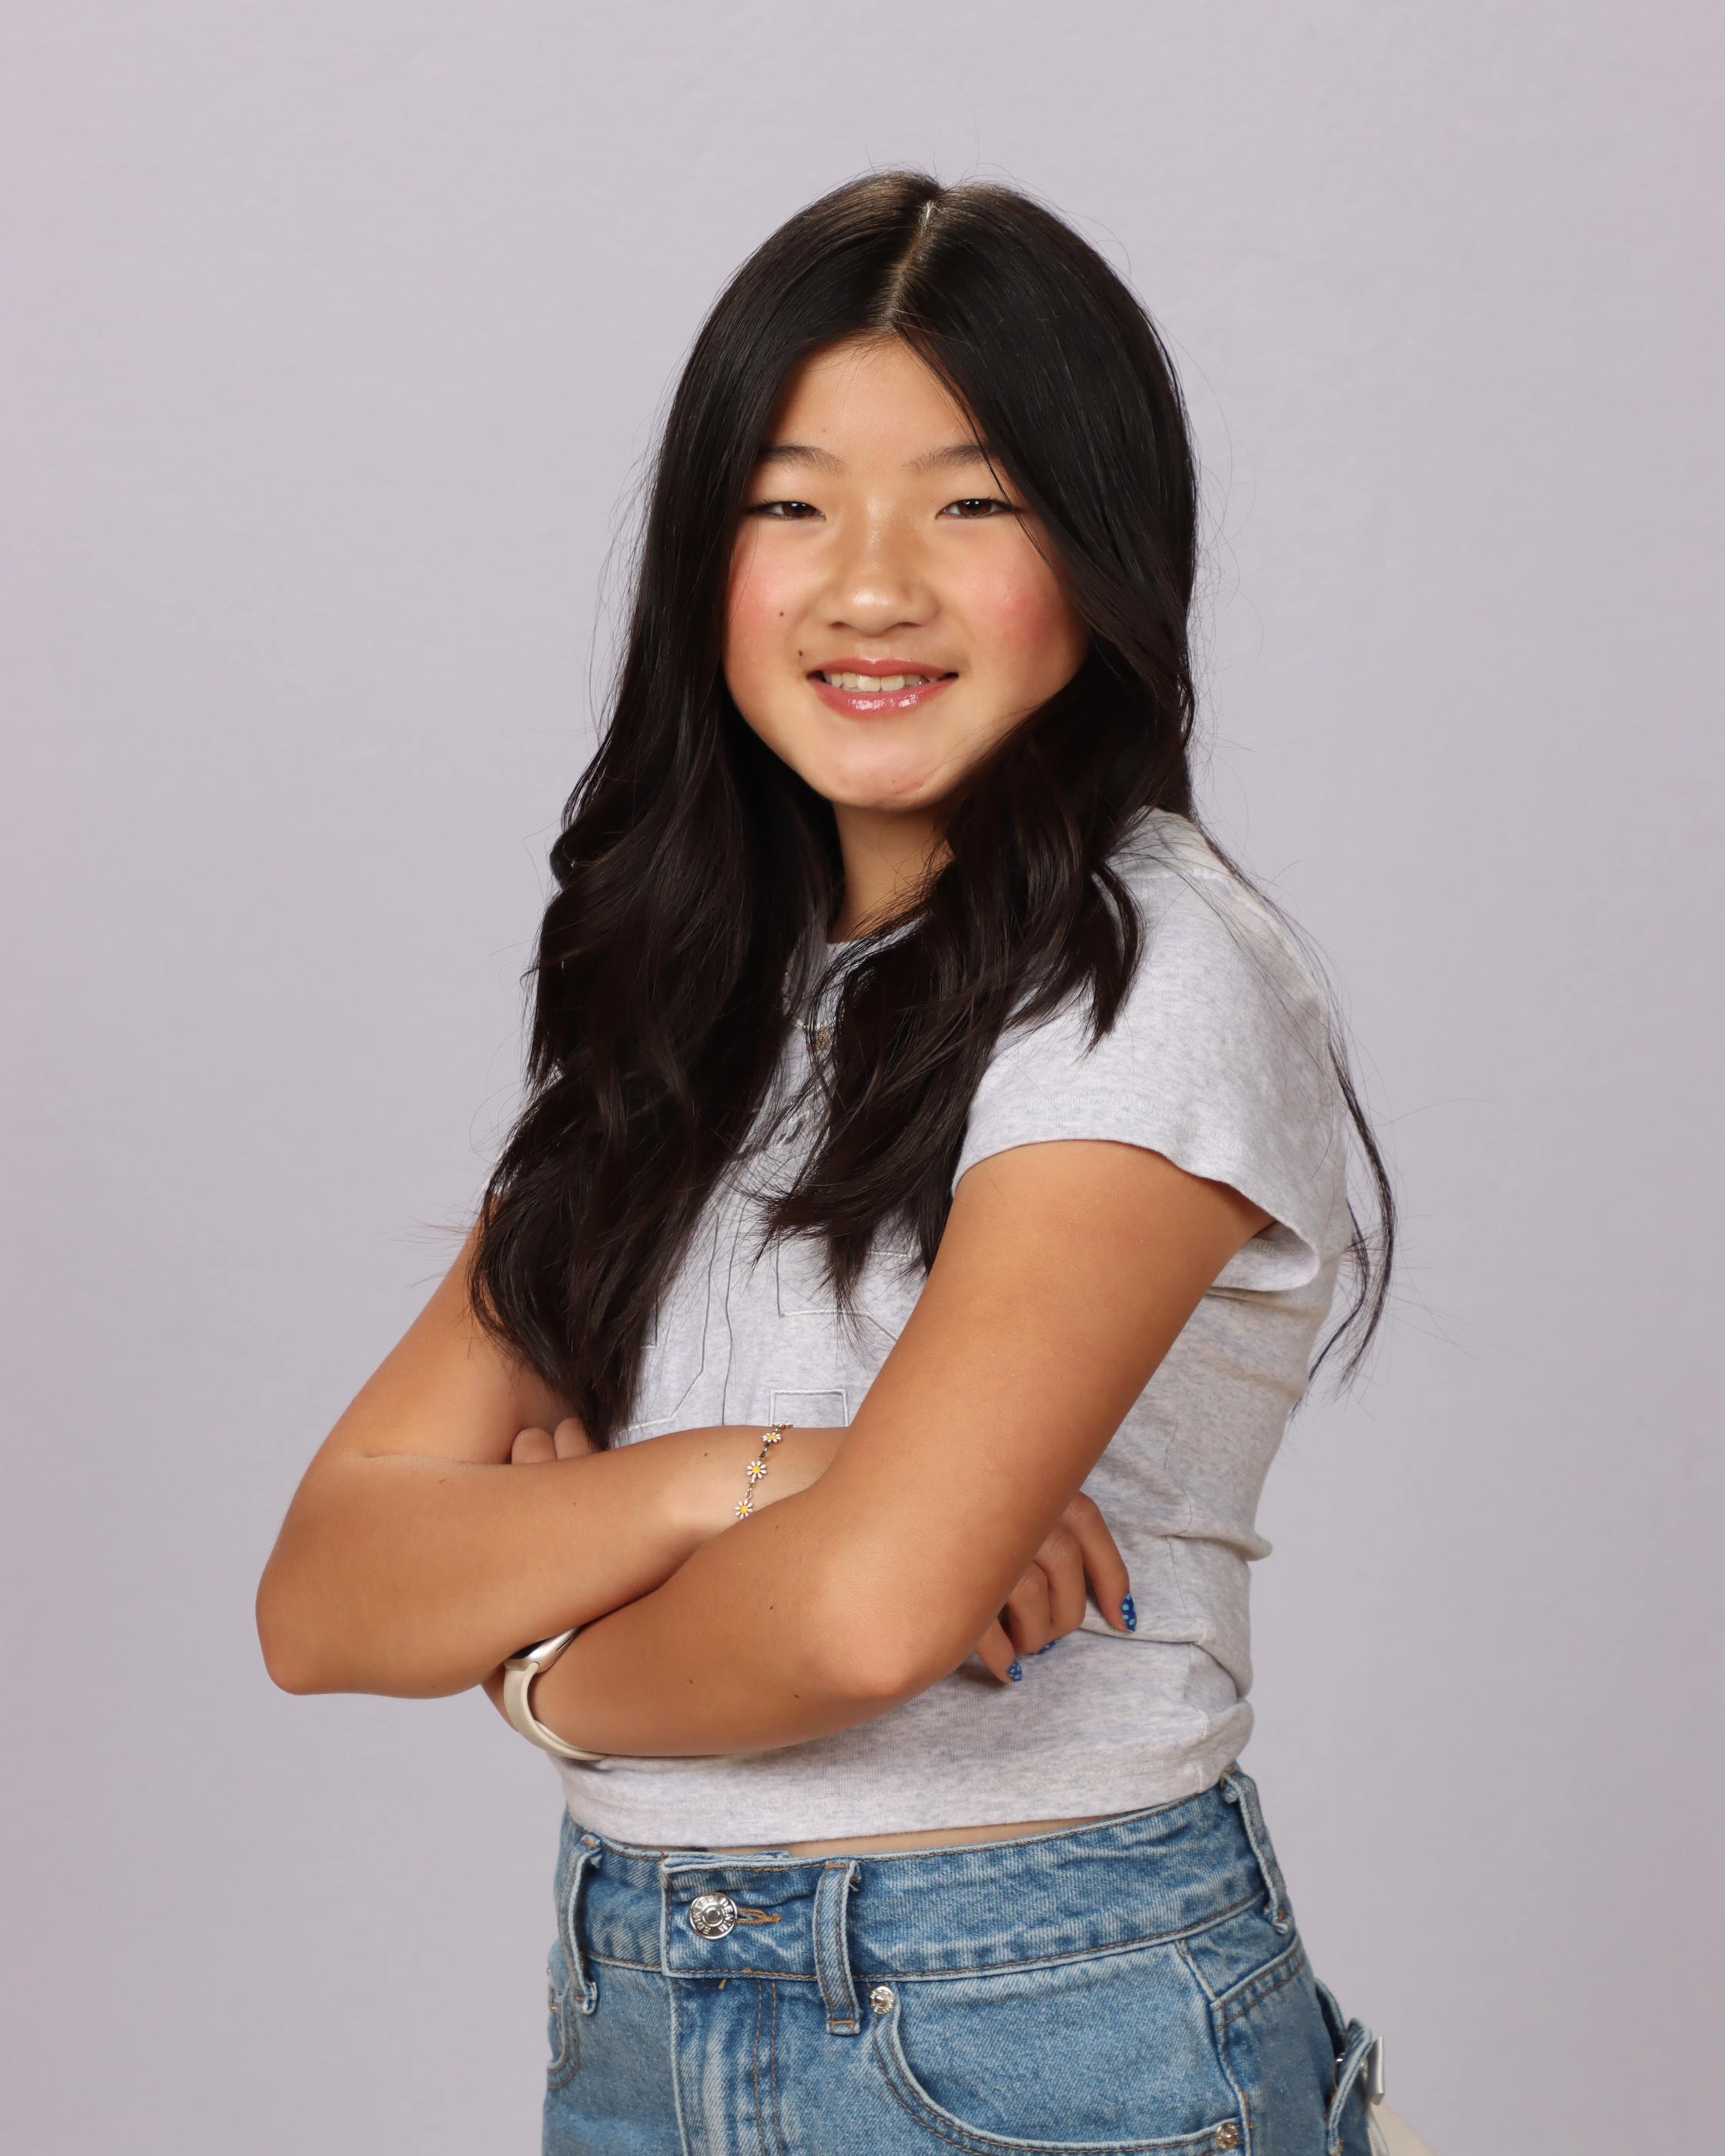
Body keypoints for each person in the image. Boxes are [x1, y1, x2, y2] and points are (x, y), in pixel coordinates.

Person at [258, 171, 1395, 2156]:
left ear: (1105, 550)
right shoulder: (699, 1008)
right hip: (639, 2002)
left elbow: (869, 1619)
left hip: (1029, 2016)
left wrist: (535, 1656)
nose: (873, 587)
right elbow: (326, 1595)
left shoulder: (1145, 975)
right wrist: (740, 1478)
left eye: (974, 504)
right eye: (791, 505)